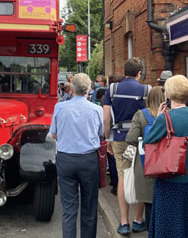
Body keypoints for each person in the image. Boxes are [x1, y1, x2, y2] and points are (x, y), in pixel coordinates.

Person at [143, 75, 188, 238]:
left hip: (168, 178)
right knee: (186, 224)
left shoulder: (166, 118)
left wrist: (157, 118)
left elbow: (148, 142)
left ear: (168, 95)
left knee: (167, 225)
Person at [49, 73, 103, 238]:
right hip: (88, 160)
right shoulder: (97, 109)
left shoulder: (60, 107)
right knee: (89, 207)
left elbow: (53, 134)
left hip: (66, 159)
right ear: (89, 89)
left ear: (71, 89)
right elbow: (100, 134)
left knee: (69, 208)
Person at [103, 59, 149, 235]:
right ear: (139, 73)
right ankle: (138, 220)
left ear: (124, 72)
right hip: (140, 140)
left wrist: (107, 138)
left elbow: (106, 118)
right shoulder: (146, 90)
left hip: (120, 139)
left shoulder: (113, 89)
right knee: (139, 176)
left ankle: (123, 222)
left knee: (123, 176)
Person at [126, 86, 164, 231]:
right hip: (167, 164)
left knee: (149, 201)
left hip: (145, 164)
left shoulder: (141, 115)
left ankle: (150, 229)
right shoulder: (170, 114)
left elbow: (130, 138)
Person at [106, 74, 124, 195]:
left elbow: (106, 119)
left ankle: (116, 184)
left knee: (113, 161)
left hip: (113, 133)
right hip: (126, 133)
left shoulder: (108, 96)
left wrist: (106, 137)